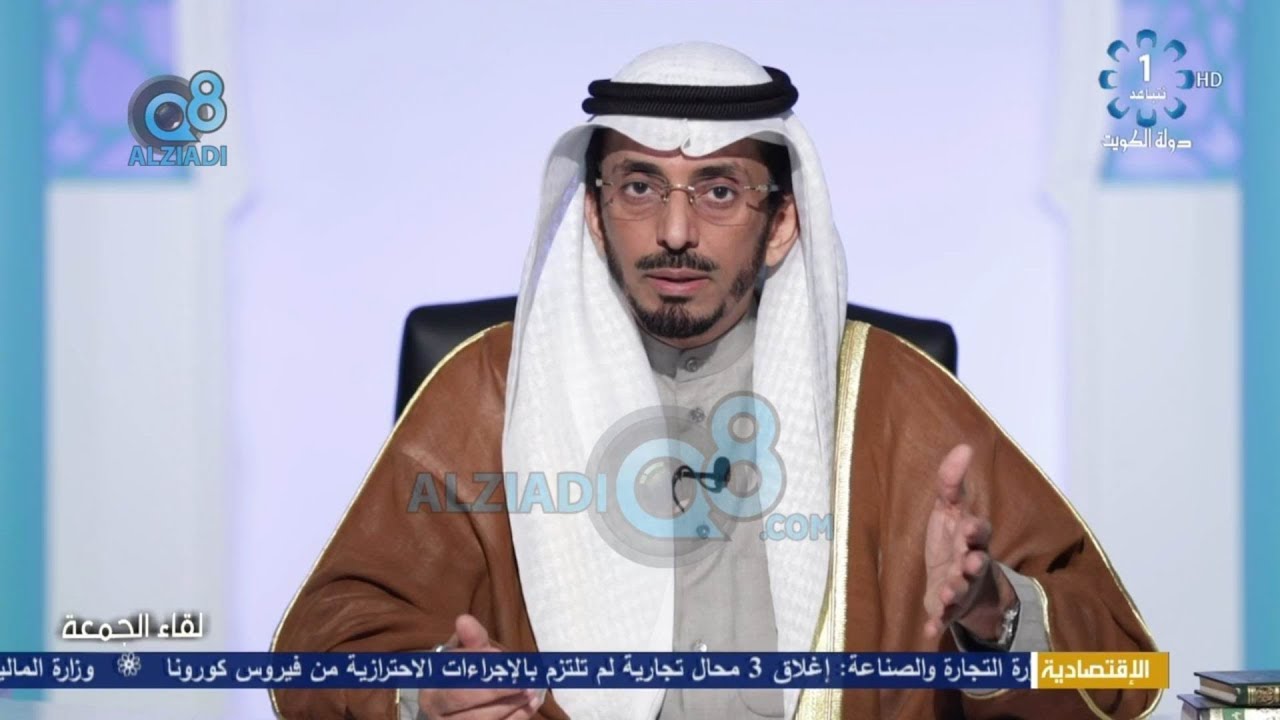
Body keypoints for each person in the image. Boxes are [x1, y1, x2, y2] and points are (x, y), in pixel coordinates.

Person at [271, 42, 1160, 720]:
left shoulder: (891, 396)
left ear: (782, 224)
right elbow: (322, 646)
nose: (675, 232)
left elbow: (1123, 669)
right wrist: (426, 693)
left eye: (720, 191)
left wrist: (992, 611)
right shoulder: (490, 388)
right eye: (640, 187)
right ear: (594, 214)